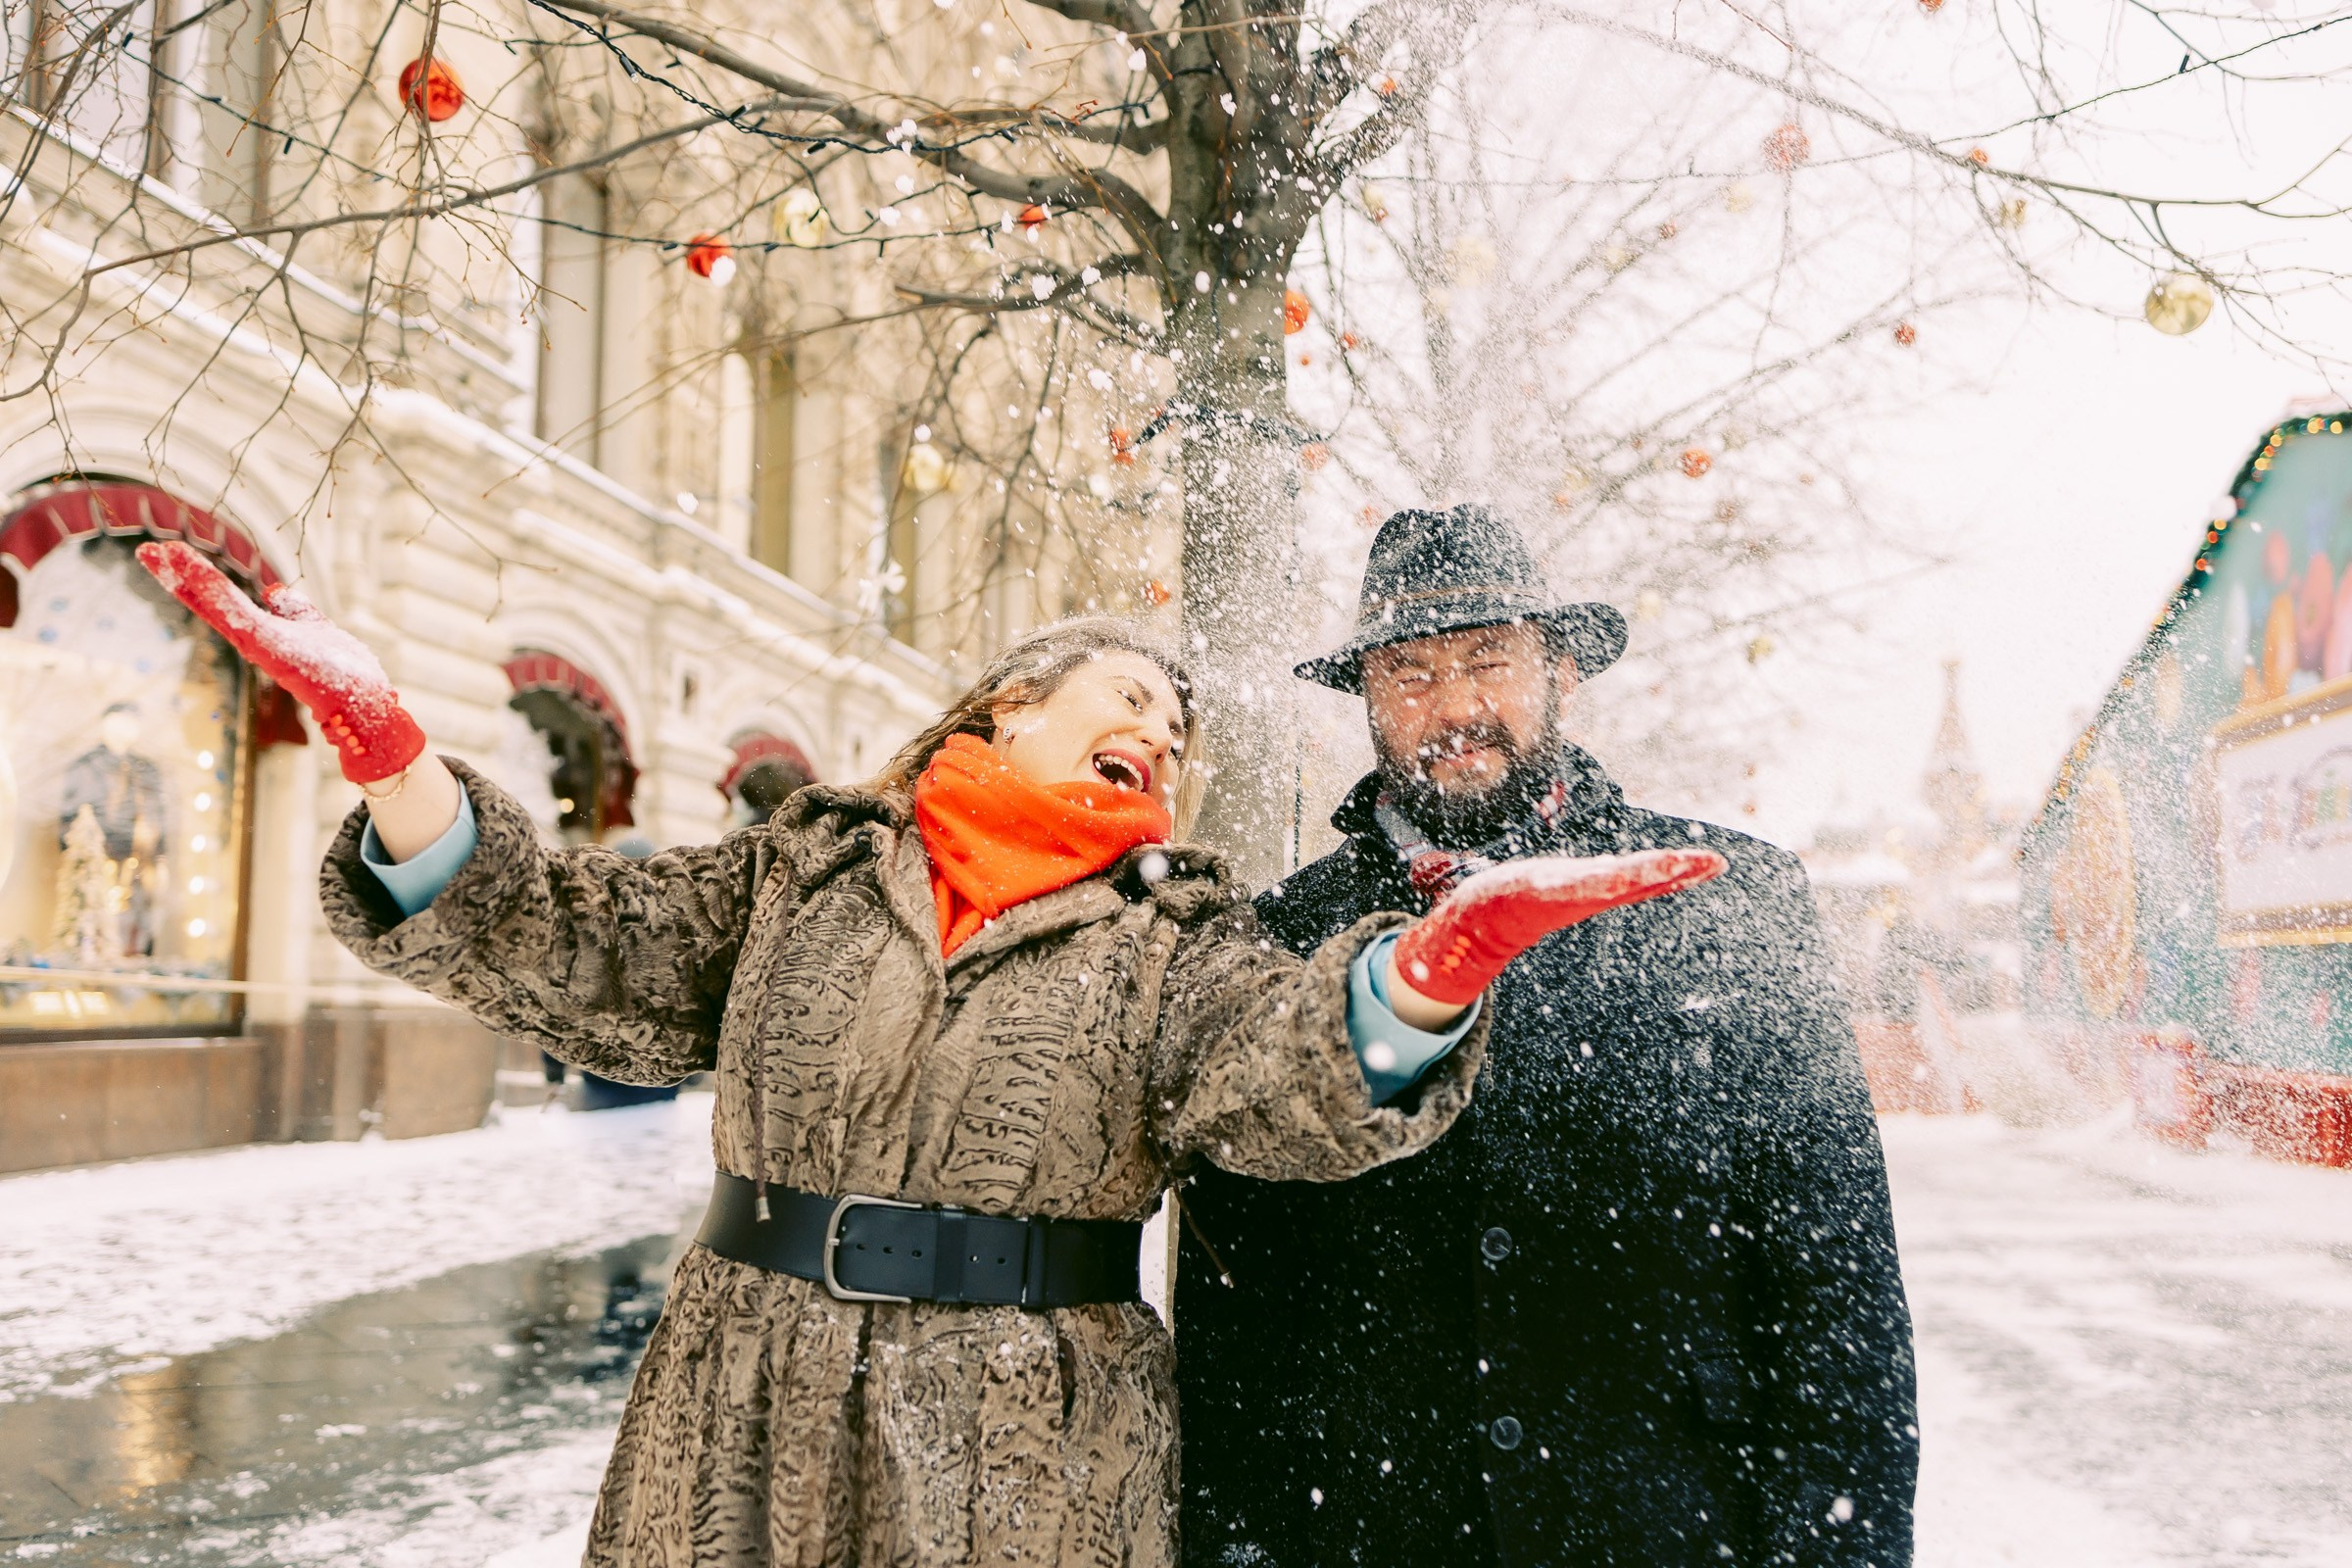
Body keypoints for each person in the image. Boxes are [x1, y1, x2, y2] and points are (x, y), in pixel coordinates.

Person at [136, 539, 1722, 1568]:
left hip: (1033, 1452)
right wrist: (393, 761)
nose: (1161, 736)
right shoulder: (800, 871)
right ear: (1006, 712)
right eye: (1128, 700)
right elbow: (564, 941)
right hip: (743, 1403)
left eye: (1178, 730)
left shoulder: (1177, 934)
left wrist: (1433, 967)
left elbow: (1286, 1071)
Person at [1175, 506, 1917, 1568]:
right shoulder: (1288, 938)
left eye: (1489, 660)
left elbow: (1836, 1291)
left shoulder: (1727, 897)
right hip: (1376, 1533)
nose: (1458, 705)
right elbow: (1235, 1316)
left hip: (1668, 1529)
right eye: (1412, 673)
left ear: (1560, 671)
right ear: (1368, 699)